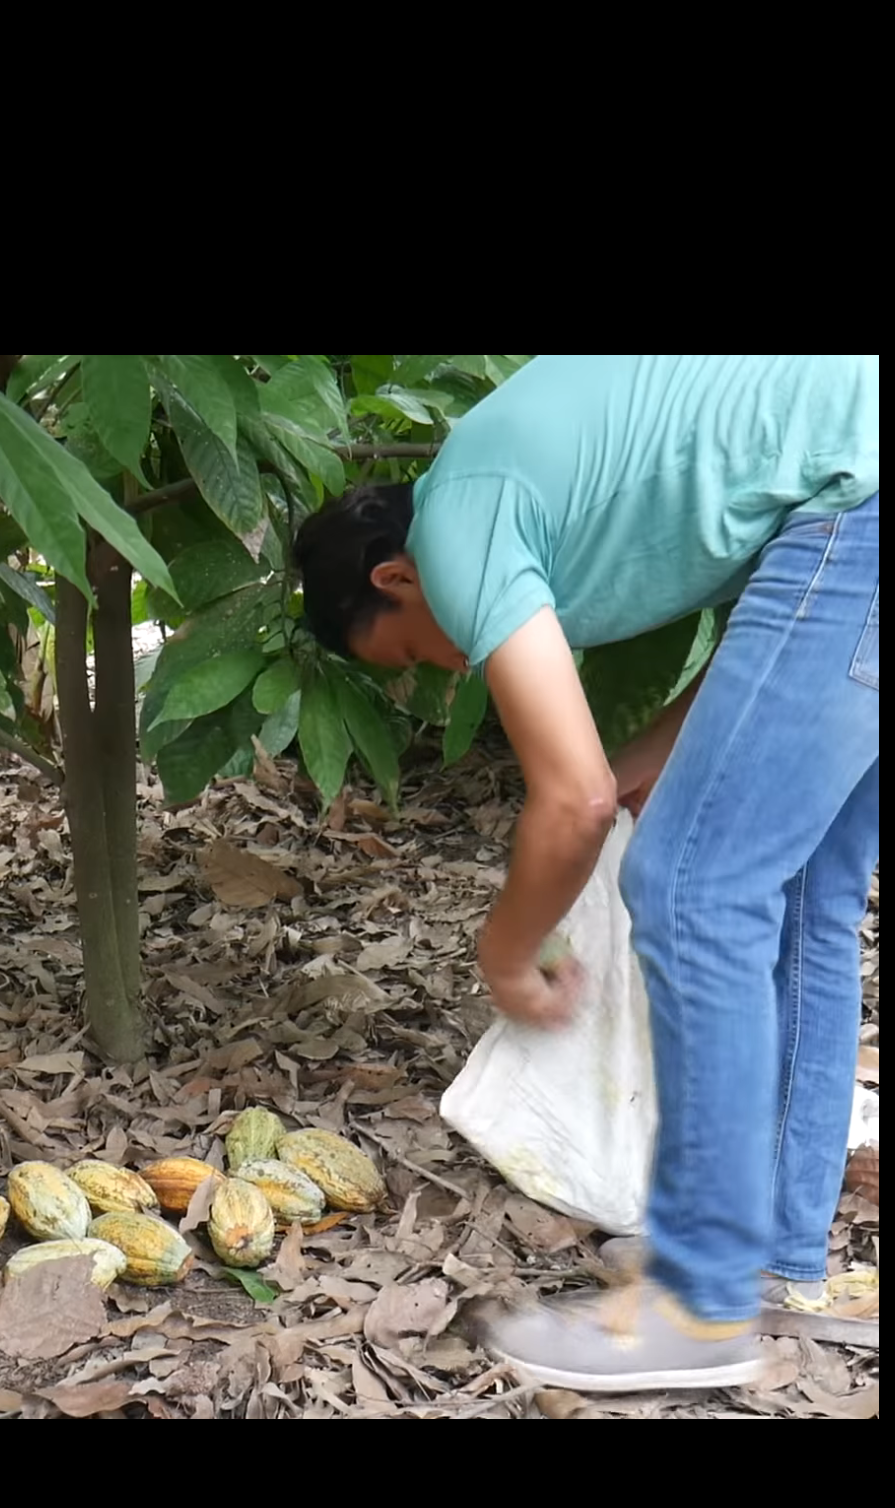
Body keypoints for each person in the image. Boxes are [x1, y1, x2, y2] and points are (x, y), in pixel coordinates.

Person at [295, 355, 879, 1394]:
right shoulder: (517, 484)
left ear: (393, 577)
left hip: (862, 510)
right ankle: (773, 1261)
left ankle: (699, 1305)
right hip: (853, 511)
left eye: (414, 656)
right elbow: (776, 629)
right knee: (799, 898)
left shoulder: (456, 527)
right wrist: (648, 760)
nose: (450, 668)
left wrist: (507, 951)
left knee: (695, 892)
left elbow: (572, 803)